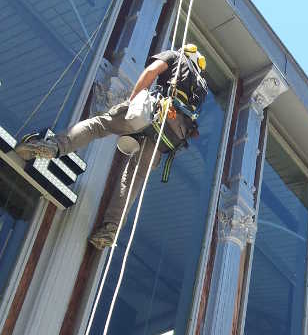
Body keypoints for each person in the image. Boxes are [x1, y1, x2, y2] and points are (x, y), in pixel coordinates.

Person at [16, 44, 208, 249]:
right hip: (169, 137)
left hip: (156, 112)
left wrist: (134, 100)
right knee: (135, 176)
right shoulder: (201, 87)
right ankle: (110, 229)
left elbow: (152, 71)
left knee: (100, 125)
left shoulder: (175, 56)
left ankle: (53, 146)